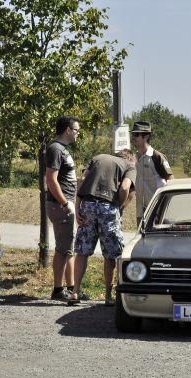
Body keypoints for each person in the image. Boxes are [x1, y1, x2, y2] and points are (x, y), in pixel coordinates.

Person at [70, 149, 136, 306]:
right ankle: (108, 296)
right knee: (111, 254)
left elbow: (83, 179)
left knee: (82, 251)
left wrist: (78, 206)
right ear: (130, 159)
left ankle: (75, 292)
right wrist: (118, 207)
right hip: (108, 207)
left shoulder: (98, 157)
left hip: (88, 205)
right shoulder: (129, 166)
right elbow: (126, 187)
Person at [45, 116, 80, 301]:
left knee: (68, 248)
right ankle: (58, 290)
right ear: (67, 130)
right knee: (62, 249)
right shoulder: (55, 149)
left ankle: (72, 289)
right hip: (60, 205)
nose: (78, 133)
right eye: (76, 130)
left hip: (66, 203)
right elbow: (51, 179)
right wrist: (65, 203)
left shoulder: (63, 149)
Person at [131, 121, 173, 227]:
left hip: (157, 211)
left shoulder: (156, 157)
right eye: (133, 134)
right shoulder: (134, 158)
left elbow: (171, 181)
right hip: (141, 211)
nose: (133, 137)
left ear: (146, 136)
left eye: (136, 134)